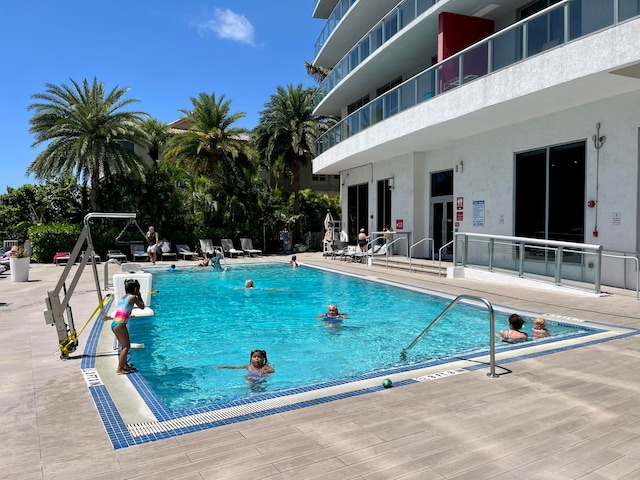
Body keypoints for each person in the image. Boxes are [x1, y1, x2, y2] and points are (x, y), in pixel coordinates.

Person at [111, 279, 145, 374]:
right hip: (120, 325)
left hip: (115, 323)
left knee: (124, 346)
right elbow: (142, 306)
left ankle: (125, 365)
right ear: (135, 289)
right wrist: (139, 295)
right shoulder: (133, 297)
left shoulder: (124, 297)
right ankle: (120, 368)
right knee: (126, 346)